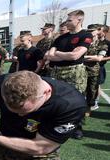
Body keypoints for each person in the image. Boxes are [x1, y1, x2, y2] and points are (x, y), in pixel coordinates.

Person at [45, 9, 93, 139]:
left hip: (75, 72)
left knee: (77, 100)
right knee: (57, 98)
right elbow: (48, 55)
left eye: (70, 20)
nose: (67, 22)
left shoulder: (85, 36)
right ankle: (59, 124)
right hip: (58, 72)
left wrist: (58, 54)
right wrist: (64, 55)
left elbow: (75, 55)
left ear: (79, 20)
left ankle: (77, 128)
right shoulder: (60, 38)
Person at [84, 24, 108, 116]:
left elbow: (99, 59)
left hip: (93, 71)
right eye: (89, 31)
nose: (90, 33)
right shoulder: (85, 42)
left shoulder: (102, 44)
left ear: (98, 31)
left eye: (92, 31)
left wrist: (83, 56)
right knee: (80, 90)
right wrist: (92, 56)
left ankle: (88, 108)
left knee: (92, 91)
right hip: (81, 70)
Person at [97, 25, 110, 111]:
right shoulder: (93, 41)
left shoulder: (108, 43)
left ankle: (95, 101)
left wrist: (100, 59)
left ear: (104, 32)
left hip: (99, 67)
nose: (97, 31)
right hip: (88, 66)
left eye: (99, 30)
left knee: (96, 85)